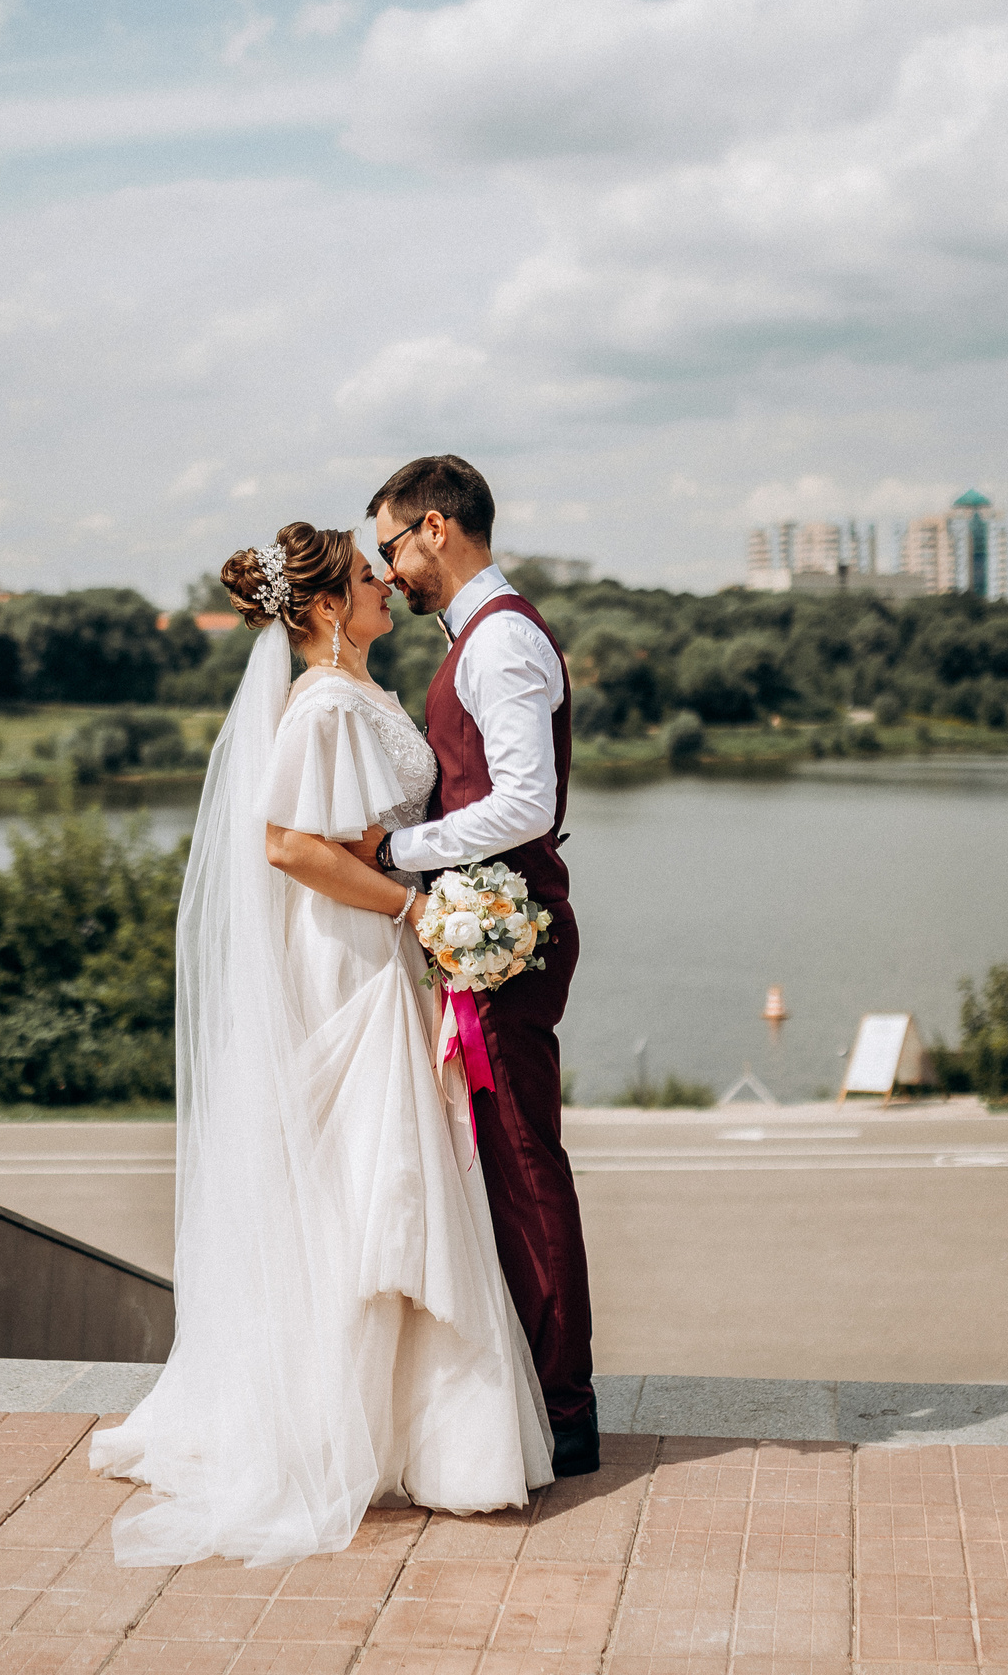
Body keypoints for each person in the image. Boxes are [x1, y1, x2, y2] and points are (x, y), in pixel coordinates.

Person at [90, 521, 553, 1568]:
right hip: (349, 956)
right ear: (332, 607)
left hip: (375, 946)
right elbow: (288, 845)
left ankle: (408, 1431)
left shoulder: (360, 693)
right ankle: (346, 1431)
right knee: (369, 1176)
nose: (385, 580)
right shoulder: (326, 704)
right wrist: (414, 911)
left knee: (381, 1175)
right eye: (365, 572)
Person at [353, 454, 600, 1478]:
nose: (388, 570)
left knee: (523, 1163)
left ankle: (565, 1406)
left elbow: (525, 805)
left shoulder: (498, 642)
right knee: (500, 1162)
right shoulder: (480, 637)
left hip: (508, 938)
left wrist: (394, 851)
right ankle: (537, 1391)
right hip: (484, 929)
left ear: (437, 528)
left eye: (390, 546)